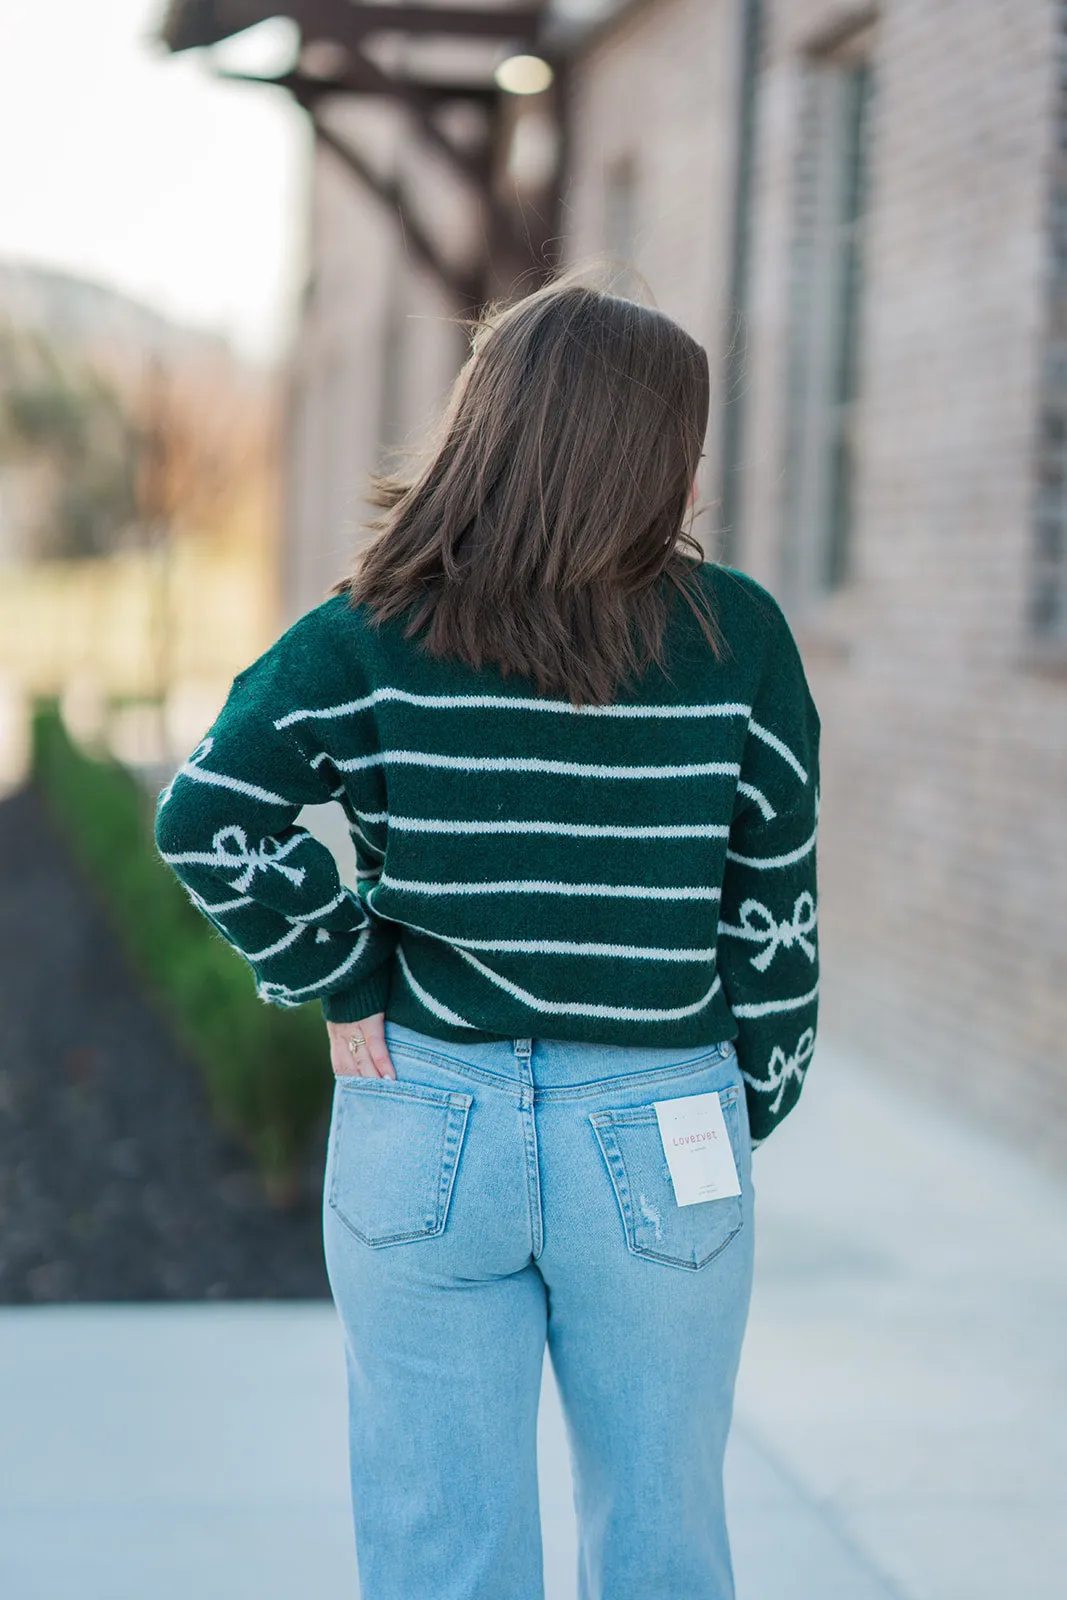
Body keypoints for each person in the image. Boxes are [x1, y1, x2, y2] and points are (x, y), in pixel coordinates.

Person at [154, 277, 820, 1600]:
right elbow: (773, 903)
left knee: (438, 1553)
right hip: (657, 1121)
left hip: (422, 1110)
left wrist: (341, 975)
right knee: (662, 1546)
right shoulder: (734, 634)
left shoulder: (370, 628)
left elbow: (207, 817)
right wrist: (748, 1094)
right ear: (653, 457)